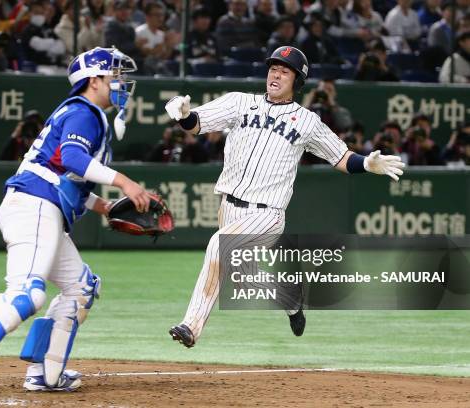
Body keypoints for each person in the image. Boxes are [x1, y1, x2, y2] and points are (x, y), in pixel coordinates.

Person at [0, 47, 151, 394]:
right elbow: (75, 159)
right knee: (27, 294)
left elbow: (68, 176)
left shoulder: (88, 114)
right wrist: (124, 181)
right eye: (115, 76)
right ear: (94, 80)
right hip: (34, 205)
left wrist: (104, 207)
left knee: (81, 287)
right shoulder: (84, 111)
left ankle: (45, 373)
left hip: (43, 206)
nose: (122, 83)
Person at [164, 45, 404, 348]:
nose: (275, 74)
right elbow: (197, 122)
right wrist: (183, 113)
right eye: (273, 68)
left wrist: (367, 164)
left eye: (284, 70)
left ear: (297, 81)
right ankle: (291, 298)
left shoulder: (307, 122)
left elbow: (341, 157)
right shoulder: (240, 102)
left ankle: (191, 326)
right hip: (230, 207)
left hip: (267, 214)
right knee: (246, 281)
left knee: (217, 245)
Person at [20, 0, 66, 66]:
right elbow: (38, 45)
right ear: (29, 13)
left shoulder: (47, 27)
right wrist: (52, 43)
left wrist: (47, 47)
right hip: (36, 67)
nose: (39, 15)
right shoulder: (27, 30)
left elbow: (61, 47)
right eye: (36, 12)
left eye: (41, 13)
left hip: (54, 66)